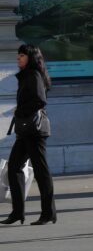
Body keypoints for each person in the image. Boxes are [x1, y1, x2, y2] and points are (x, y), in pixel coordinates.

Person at [1, 45, 56, 226]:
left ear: (31, 57)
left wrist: (20, 111)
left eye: (22, 55)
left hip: (35, 131)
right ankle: (18, 212)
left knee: (41, 171)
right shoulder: (27, 75)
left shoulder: (33, 75)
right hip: (26, 131)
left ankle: (48, 213)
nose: (18, 58)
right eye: (18, 55)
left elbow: (41, 100)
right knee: (14, 167)